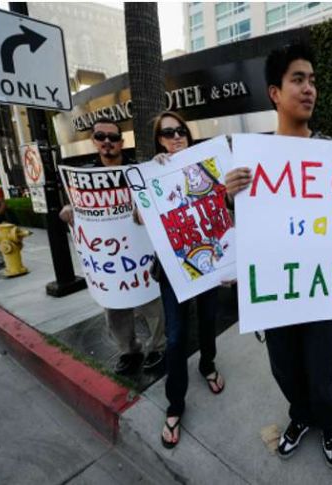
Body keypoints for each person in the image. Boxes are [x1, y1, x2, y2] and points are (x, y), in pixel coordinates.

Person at [224, 42, 332, 469]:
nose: (309, 89)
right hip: (276, 292)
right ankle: (300, 416)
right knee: (285, 370)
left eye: (312, 81)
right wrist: (231, 196)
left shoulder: (329, 154)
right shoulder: (253, 161)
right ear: (275, 92)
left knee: (323, 370)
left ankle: (328, 422)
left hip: (319, 289)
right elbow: (246, 230)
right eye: (298, 79)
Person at [59, 117, 166, 376]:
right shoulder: (82, 175)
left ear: (122, 142)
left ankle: (158, 347)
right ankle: (130, 351)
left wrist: (162, 165)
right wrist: (69, 209)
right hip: (109, 262)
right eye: (101, 137)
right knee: (115, 309)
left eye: (113, 137)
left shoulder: (139, 170)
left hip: (140, 255)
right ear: (93, 141)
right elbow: (76, 207)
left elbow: (158, 196)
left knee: (154, 304)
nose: (108, 142)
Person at [146, 111, 227, 450]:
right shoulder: (151, 171)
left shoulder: (206, 165)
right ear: (158, 139)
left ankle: (207, 363)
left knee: (208, 320)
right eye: (168, 132)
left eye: (181, 131)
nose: (176, 136)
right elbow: (140, 215)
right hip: (173, 269)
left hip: (207, 261)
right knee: (177, 336)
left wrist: (229, 262)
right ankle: (175, 404)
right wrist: (153, 172)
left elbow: (224, 205)